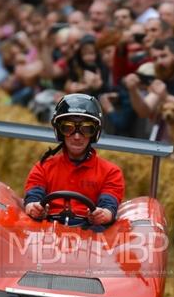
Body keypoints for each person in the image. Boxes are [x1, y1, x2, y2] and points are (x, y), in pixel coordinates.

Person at [24, 94, 125, 229]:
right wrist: (34, 208)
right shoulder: (43, 167)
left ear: (95, 133)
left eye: (86, 129)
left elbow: (108, 206)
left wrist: (103, 214)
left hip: (92, 238)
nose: (77, 137)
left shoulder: (111, 172)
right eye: (68, 128)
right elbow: (32, 199)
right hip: (46, 233)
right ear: (59, 131)